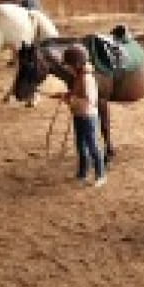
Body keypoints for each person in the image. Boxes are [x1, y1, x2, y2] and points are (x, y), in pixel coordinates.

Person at [54, 47, 105, 186]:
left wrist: (71, 100)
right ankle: (82, 173)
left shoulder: (86, 78)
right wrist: (67, 95)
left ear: (76, 64)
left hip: (87, 117)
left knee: (93, 146)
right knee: (81, 146)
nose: (68, 69)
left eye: (69, 65)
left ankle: (101, 175)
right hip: (79, 115)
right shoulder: (79, 76)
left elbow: (89, 100)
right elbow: (78, 94)